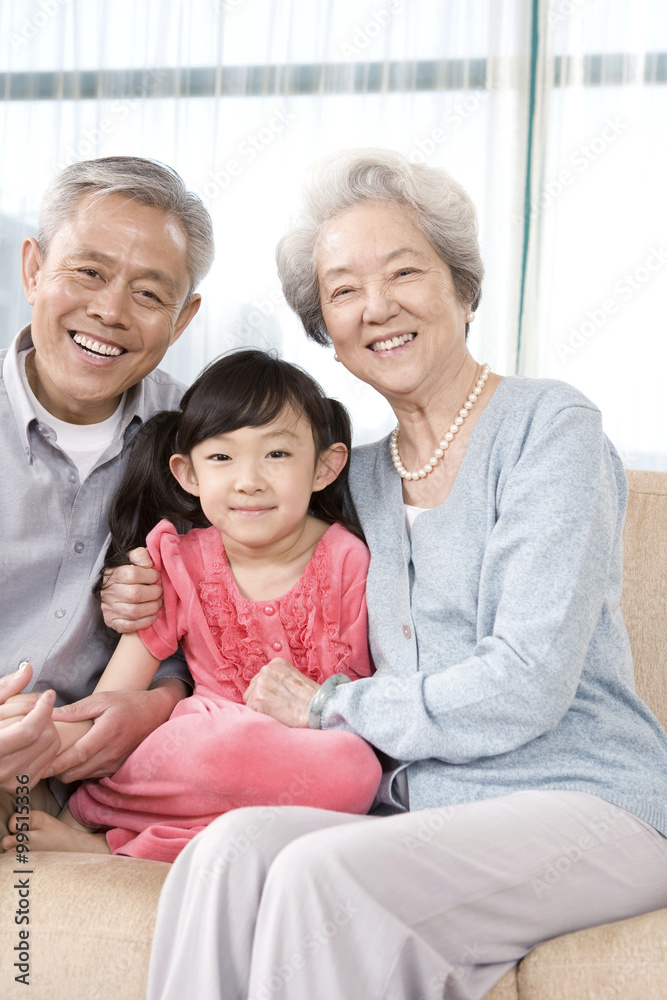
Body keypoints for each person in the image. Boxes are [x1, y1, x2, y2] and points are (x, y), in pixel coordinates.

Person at [108, 150, 667, 1000]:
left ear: (461, 288)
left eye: (403, 272)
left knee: (322, 876)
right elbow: (235, 557)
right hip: (427, 815)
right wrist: (141, 590)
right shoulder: (350, 476)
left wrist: (330, 704)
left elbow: (525, 681)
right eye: (342, 291)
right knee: (229, 853)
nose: (376, 307)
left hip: (588, 802)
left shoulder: (547, 428)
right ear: (324, 329)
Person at [2, 351, 382, 862]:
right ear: (187, 474)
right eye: (222, 458)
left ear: (324, 467)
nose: (248, 480)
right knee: (204, 749)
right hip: (198, 750)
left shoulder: (347, 560)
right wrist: (40, 732)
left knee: (355, 770)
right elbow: (119, 689)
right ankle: (102, 822)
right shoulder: (179, 561)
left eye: (277, 455)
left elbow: (357, 698)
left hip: (305, 757)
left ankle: (119, 843)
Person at [0, 156, 213, 832]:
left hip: (106, 773)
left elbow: (229, 620)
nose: (110, 311)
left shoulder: (209, 449)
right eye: (88, 272)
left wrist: (158, 701)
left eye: (150, 294)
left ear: (182, 320)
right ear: (34, 269)